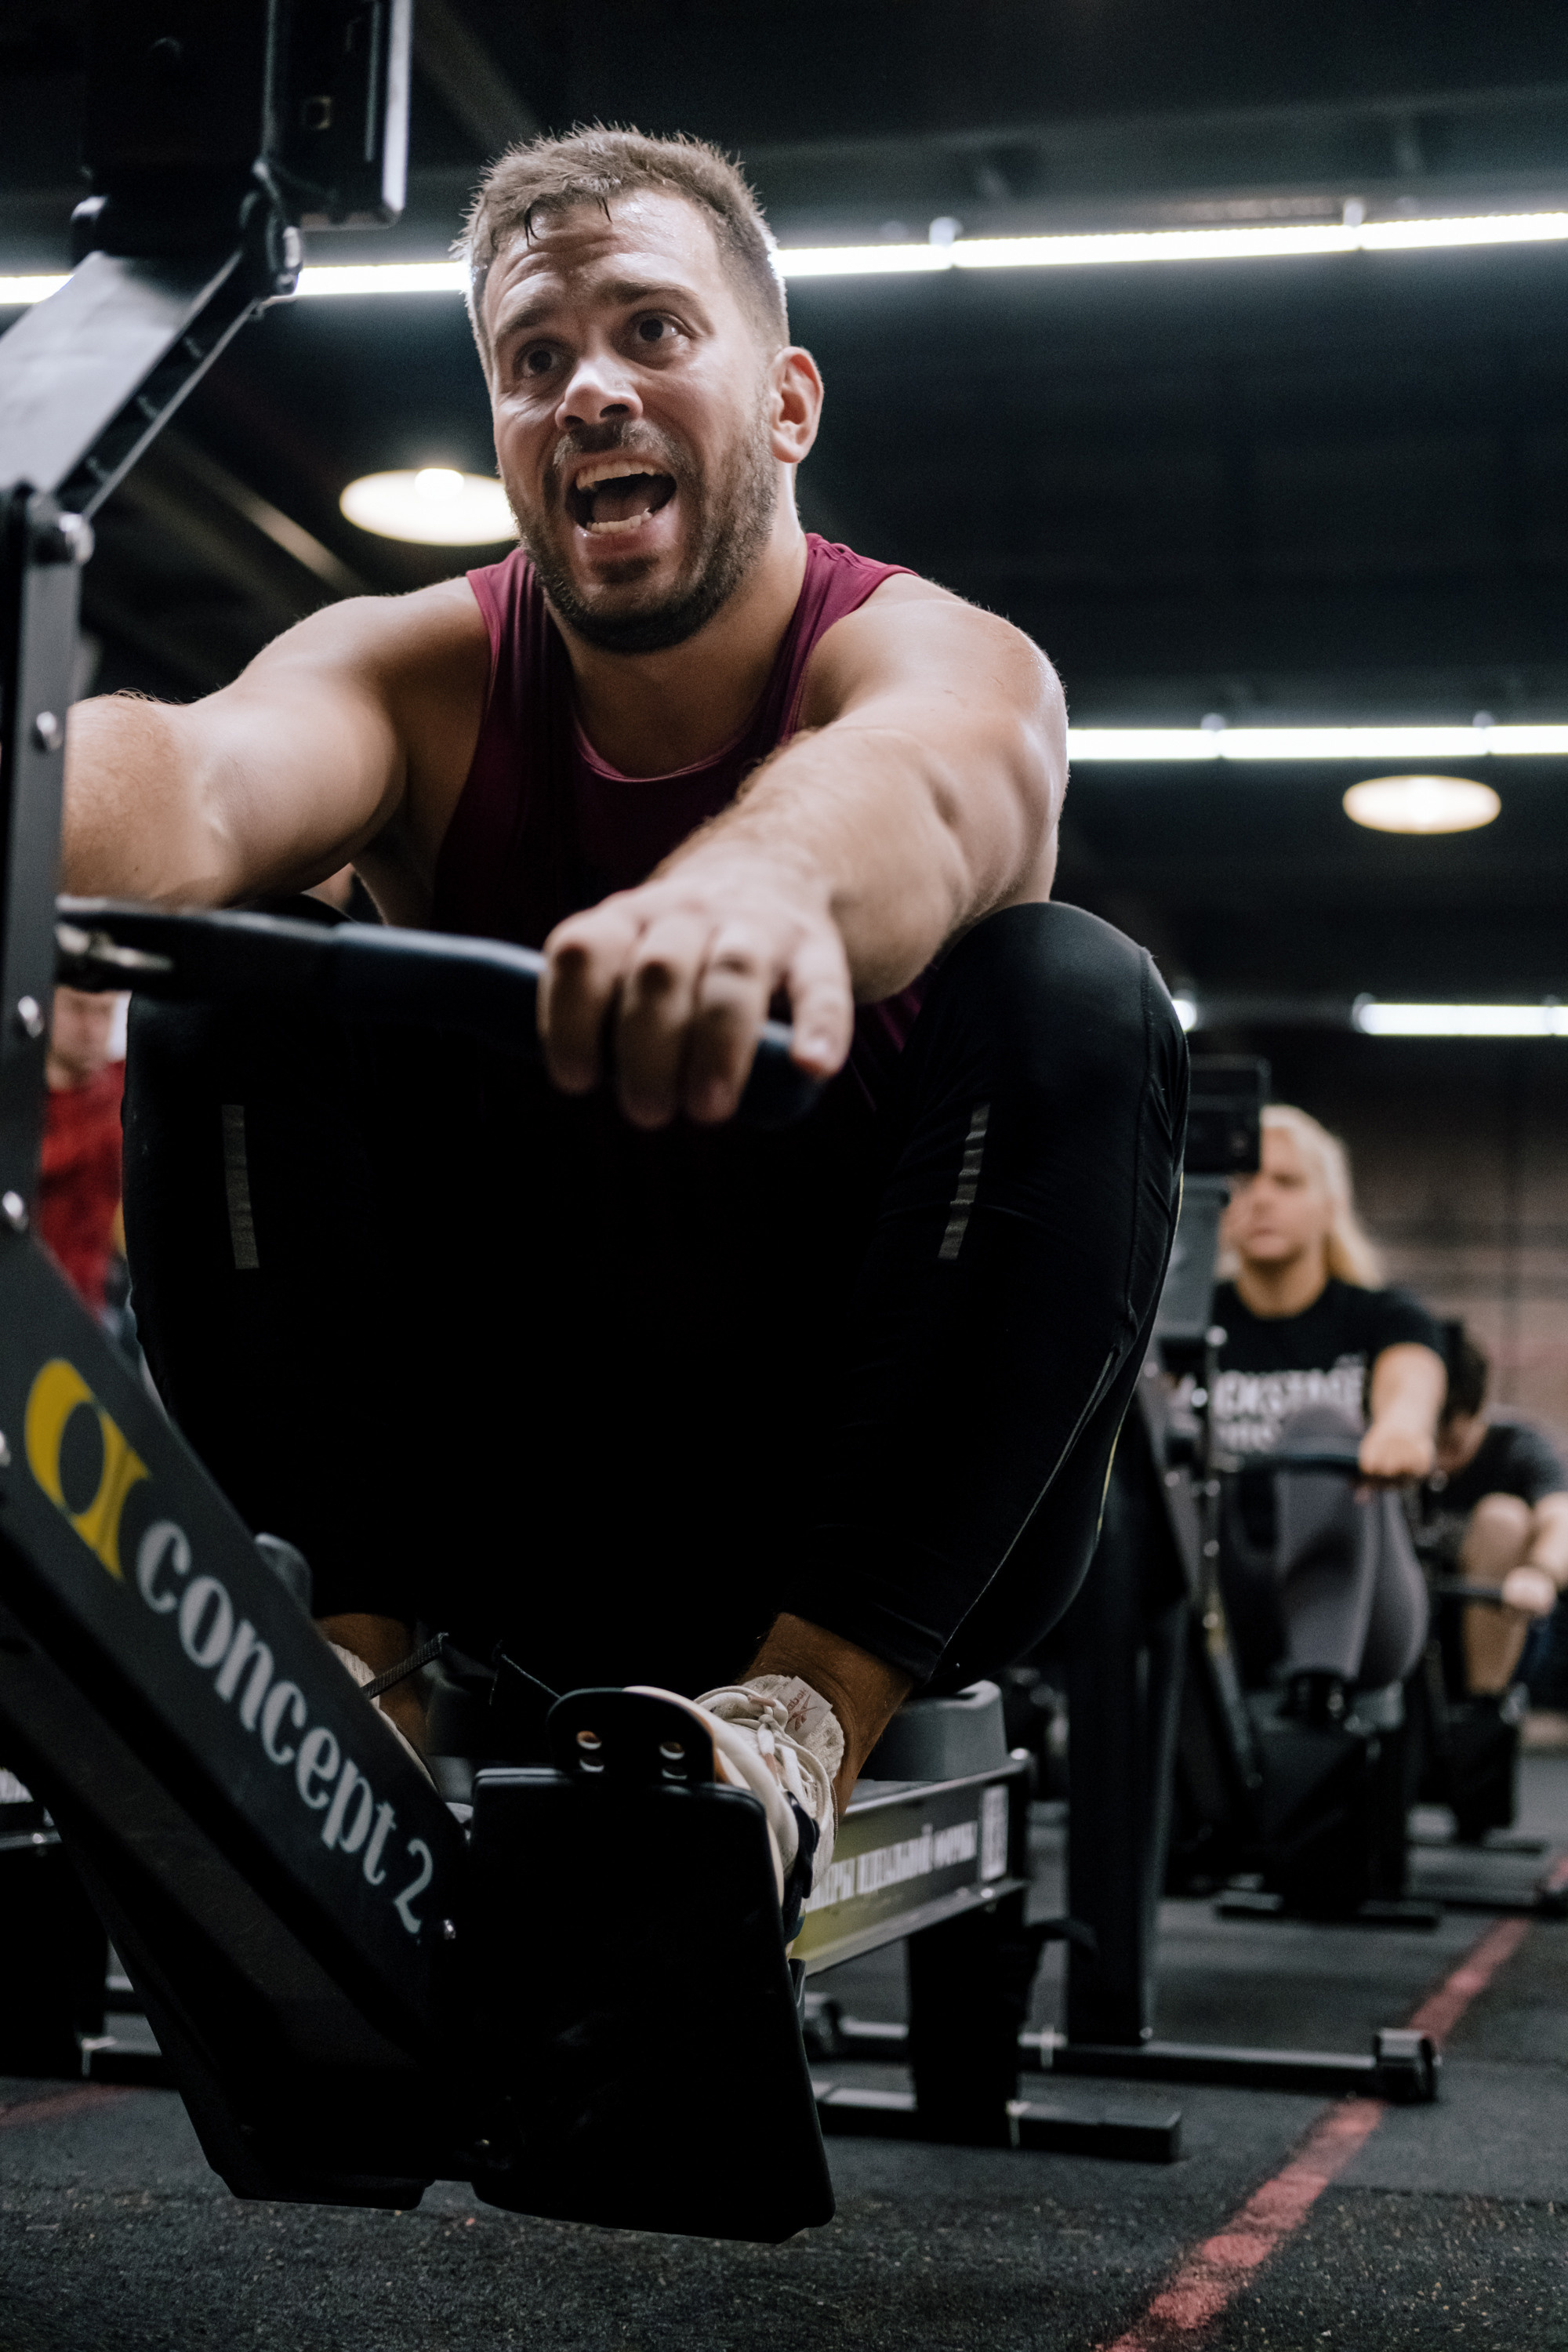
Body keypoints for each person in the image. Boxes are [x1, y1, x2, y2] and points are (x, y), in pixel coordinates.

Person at [61, 128, 1185, 1924]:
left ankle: (794, 1724)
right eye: (533, 358)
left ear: (787, 399)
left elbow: (933, 781)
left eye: (652, 332)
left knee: (1072, 988)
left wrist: (756, 887)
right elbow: (193, 778)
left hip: (859, 1505)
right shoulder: (418, 674)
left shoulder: (926, 656)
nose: (587, 388)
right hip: (516, 1492)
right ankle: (357, 1671)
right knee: (228, 959)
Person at [1210, 1104, 1446, 1719]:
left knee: (1320, 1423)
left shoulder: (1382, 1315)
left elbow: (1411, 1381)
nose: (1260, 1199)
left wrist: (1400, 1429)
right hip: (1226, 1598)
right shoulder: (1190, 1327)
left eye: (1285, 1182)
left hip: (1364, 1605)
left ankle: (1319, 1693)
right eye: (1242, 1184)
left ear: (1329, 1204)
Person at [1415, 1326, 1568, 1699]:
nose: (1438, 1464)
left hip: (1500, 1624)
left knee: (1503, 1517)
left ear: (1479, 1410)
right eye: (1429, 1444)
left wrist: (1539, 1573)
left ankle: (1482, 1711)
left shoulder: (1521, 1448)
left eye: (1451, 1444)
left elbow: (1561, 1517)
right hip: (1412, 1623)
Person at [35, 985, 128, 1318]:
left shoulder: (125, 1089)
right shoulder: (18, 1098)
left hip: (91, 1307)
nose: (91, 1028)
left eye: (104, 1012)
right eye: (77, 1008)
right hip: (20, 1297)